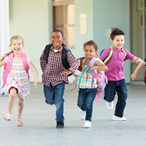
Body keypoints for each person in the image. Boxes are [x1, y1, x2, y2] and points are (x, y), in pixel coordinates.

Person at [99, 28, 142, 121]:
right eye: (117, 40)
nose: (120, 42)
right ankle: (109, 100)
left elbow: (133, 57)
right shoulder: (108, 51)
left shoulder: (125, 51)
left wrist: (137, 59)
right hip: (109, 79)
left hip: (121, 79)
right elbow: (99, 60)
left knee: (123, 96)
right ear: (112, 41)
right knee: (110, 96)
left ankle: (118, 115)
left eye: (122, 40)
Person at [40, 30, 79, 128]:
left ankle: (60, 121)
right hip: (47, 79)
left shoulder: (66, 51)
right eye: (53, 37)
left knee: (59, 100)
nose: (56, 39)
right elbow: (42, 59)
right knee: (49, 100)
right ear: (50, 39)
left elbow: (75, 62)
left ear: (63, 39)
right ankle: (53, 101)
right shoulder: (47, 48)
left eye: (58, 37)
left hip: (60, 79)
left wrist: (70, 70)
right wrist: (44, 70)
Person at [0, 35, 38, 126]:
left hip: (23, 82)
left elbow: (34, 70)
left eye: (19, 44)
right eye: (14, 44)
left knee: (20, 102)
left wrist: (36, 80)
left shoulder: (26, 59)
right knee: (12, 94)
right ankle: (8, 113)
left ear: (22, 46)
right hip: (12, 80)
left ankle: (19, 117)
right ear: (10, 46)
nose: (16, 46)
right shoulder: (8, 58)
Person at [73, 40, 108, 128]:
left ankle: (88, 120)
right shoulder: (82, 60)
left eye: (91, 51)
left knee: (89, 102)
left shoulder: (96, 61)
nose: (88, 53)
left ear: (95, 52)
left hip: (93, 86)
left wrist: (95, 67)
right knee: (80, 103)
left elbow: (105, 68)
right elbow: (81, 69)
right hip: (83, 86)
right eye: (86, 50)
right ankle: (83, 110)